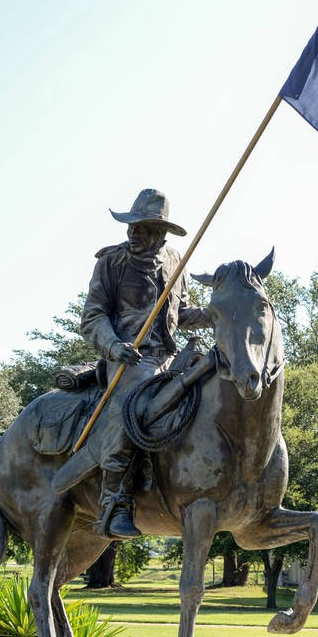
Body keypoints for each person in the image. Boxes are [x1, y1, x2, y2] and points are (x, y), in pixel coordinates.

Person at [79, 188, 212, 538]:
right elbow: (92, 317)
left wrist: (214, 314)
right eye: (132, 226)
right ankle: (114, 502)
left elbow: (179, 313)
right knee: (134, 408)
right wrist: (113, 345)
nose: (134, 233)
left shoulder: (175, 263)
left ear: (162, 232)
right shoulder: (111, 262)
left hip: (169, 359)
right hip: (128, 360)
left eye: (143, 228)